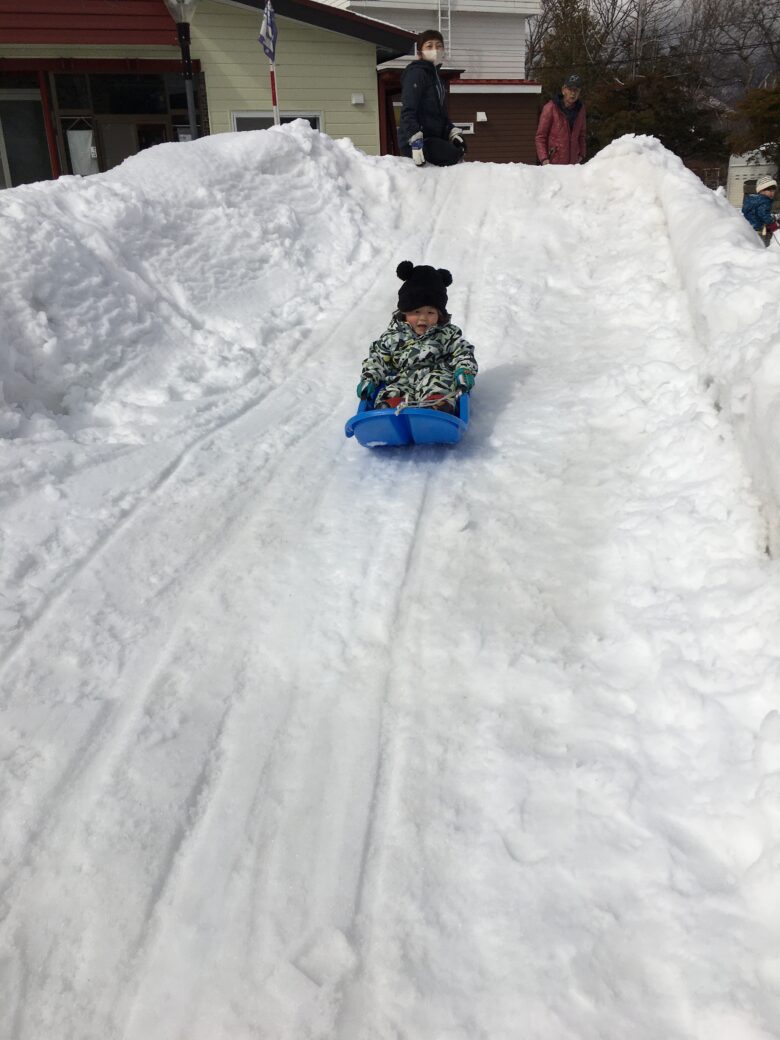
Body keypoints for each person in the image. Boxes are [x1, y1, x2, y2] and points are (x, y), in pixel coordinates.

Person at [357, 261, 478, 413]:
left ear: (440, 315)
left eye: (430, 312)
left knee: (439, 382)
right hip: (402, 378)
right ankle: (389, 408)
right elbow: (377, 360)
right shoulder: (392, 337)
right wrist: (369, 378)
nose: (423, 318)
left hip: (436, 374)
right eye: (416, 312)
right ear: (404, 313)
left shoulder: (446, 334)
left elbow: (463, 352)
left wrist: (464, 371)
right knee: (392, 389)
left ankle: (437, 405)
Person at [398, 30, 466, 168]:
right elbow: (408, 110)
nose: (435, 50)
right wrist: (414, 139)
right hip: (417, 141)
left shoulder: (436, 78)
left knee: (461, 147)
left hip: (434, 137)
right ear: (420, 52)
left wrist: (451, 131)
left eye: (439, 46)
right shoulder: (416, 73)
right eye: (429, 46)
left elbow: (440, 114)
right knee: (452, 154)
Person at [535, 73, 587, 166]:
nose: (573, 93)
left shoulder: (580, 110)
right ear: (563, 90)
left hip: (573, 165)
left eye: (576, 90)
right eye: (570, 89)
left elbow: (581, 135)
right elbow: (540, 136)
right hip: (553, 164)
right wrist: (544, 159)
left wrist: (582, 154)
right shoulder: (551, 108)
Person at [742, 176, 778, 247]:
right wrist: (771, 223)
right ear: (761, 191)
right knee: (758, 244)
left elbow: (745, 211)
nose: (772, 193)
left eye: (773, 190)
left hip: (748, 227)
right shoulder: (765, 201)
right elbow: (763, 213)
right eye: (770, 190)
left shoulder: (752, 200)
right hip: (757, 228)